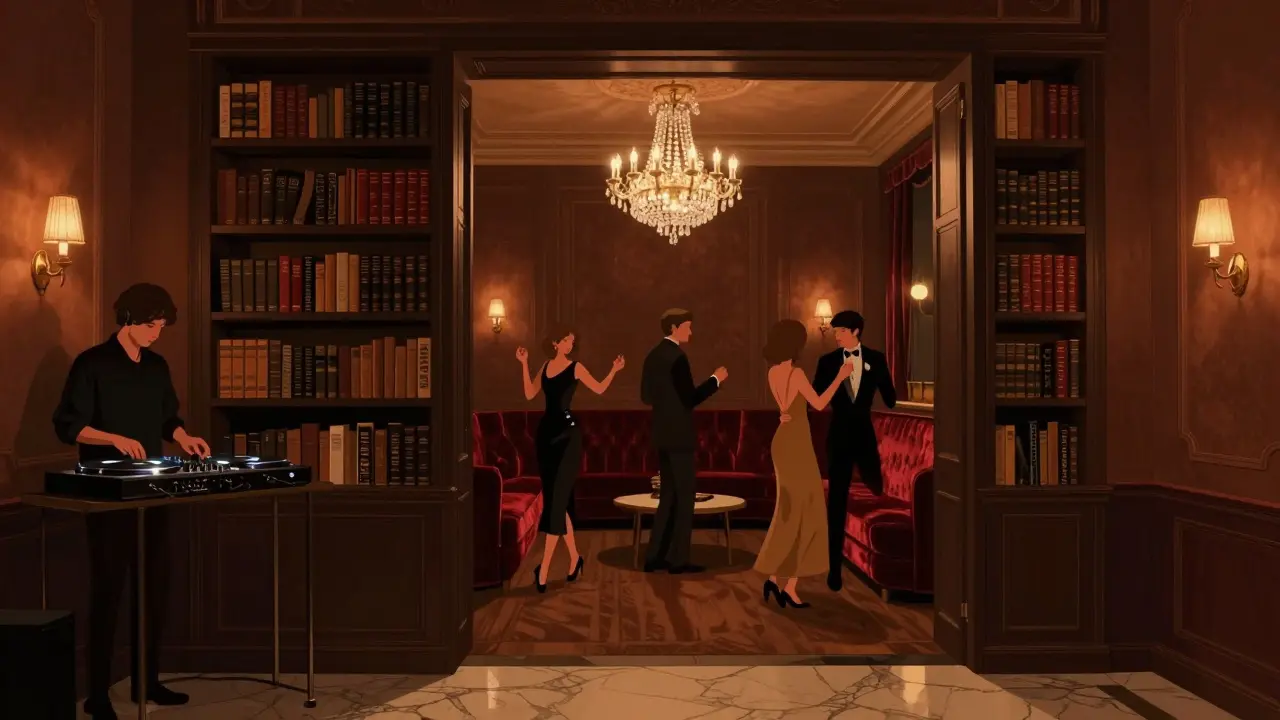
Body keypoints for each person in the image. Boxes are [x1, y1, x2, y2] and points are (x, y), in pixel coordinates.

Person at [52, 283, 211, 719]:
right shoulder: (92, 364)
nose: (157, 333)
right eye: (151, 325)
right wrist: (115, 439)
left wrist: (184, 437)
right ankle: (98, 693)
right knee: (107, 592)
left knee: (153, 589)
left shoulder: (157, 366)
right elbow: (68, 426)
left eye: (161, 326)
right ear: (128, 320)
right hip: (106, 495)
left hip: (152, 490)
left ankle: (148, 681)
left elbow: (167, 418)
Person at [516, 323, 625, 593]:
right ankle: (575, 559)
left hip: (568, 437)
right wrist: (524, 362)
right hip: (546, 437)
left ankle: (544, 567)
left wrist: (614, 370)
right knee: (558, 502)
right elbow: (530, 394)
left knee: (556, 503)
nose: (570, 344)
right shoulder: (543, 367)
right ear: (555, 343)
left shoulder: (576, 367)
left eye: (571, 341)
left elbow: (599, 389)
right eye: (567, 340)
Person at [755, 319, 853, 608]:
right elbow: (819, 404)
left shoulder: (773, 371)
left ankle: (776, 580)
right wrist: (840, 376)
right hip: (796, 442)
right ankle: (789, 585)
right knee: (806, 511)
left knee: (790, 510)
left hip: (783, 439)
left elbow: (786, 408)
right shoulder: (796, 373)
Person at [812, 310, 896, 592]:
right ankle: (834, 570)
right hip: (838, 439)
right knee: (836, 504)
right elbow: (816, 399)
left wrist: (881, 375)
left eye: (842, 332)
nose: (836, 336)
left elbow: (892, 400)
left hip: (865, 439)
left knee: (875, 485)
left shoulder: (876, 358)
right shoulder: (827, 362)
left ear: (856, 332)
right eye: (835, 332)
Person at [639, 309, 727, 574]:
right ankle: (678, 560)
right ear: (675, 327)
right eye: (688, 327)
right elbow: (690, 398)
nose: (691, 331)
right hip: (679, 436)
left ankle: (654, 557)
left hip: (662, 435)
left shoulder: (652, 355)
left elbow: (645, 396)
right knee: (685, 496)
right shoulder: (677, 357)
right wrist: (715, 380)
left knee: (667, 496)